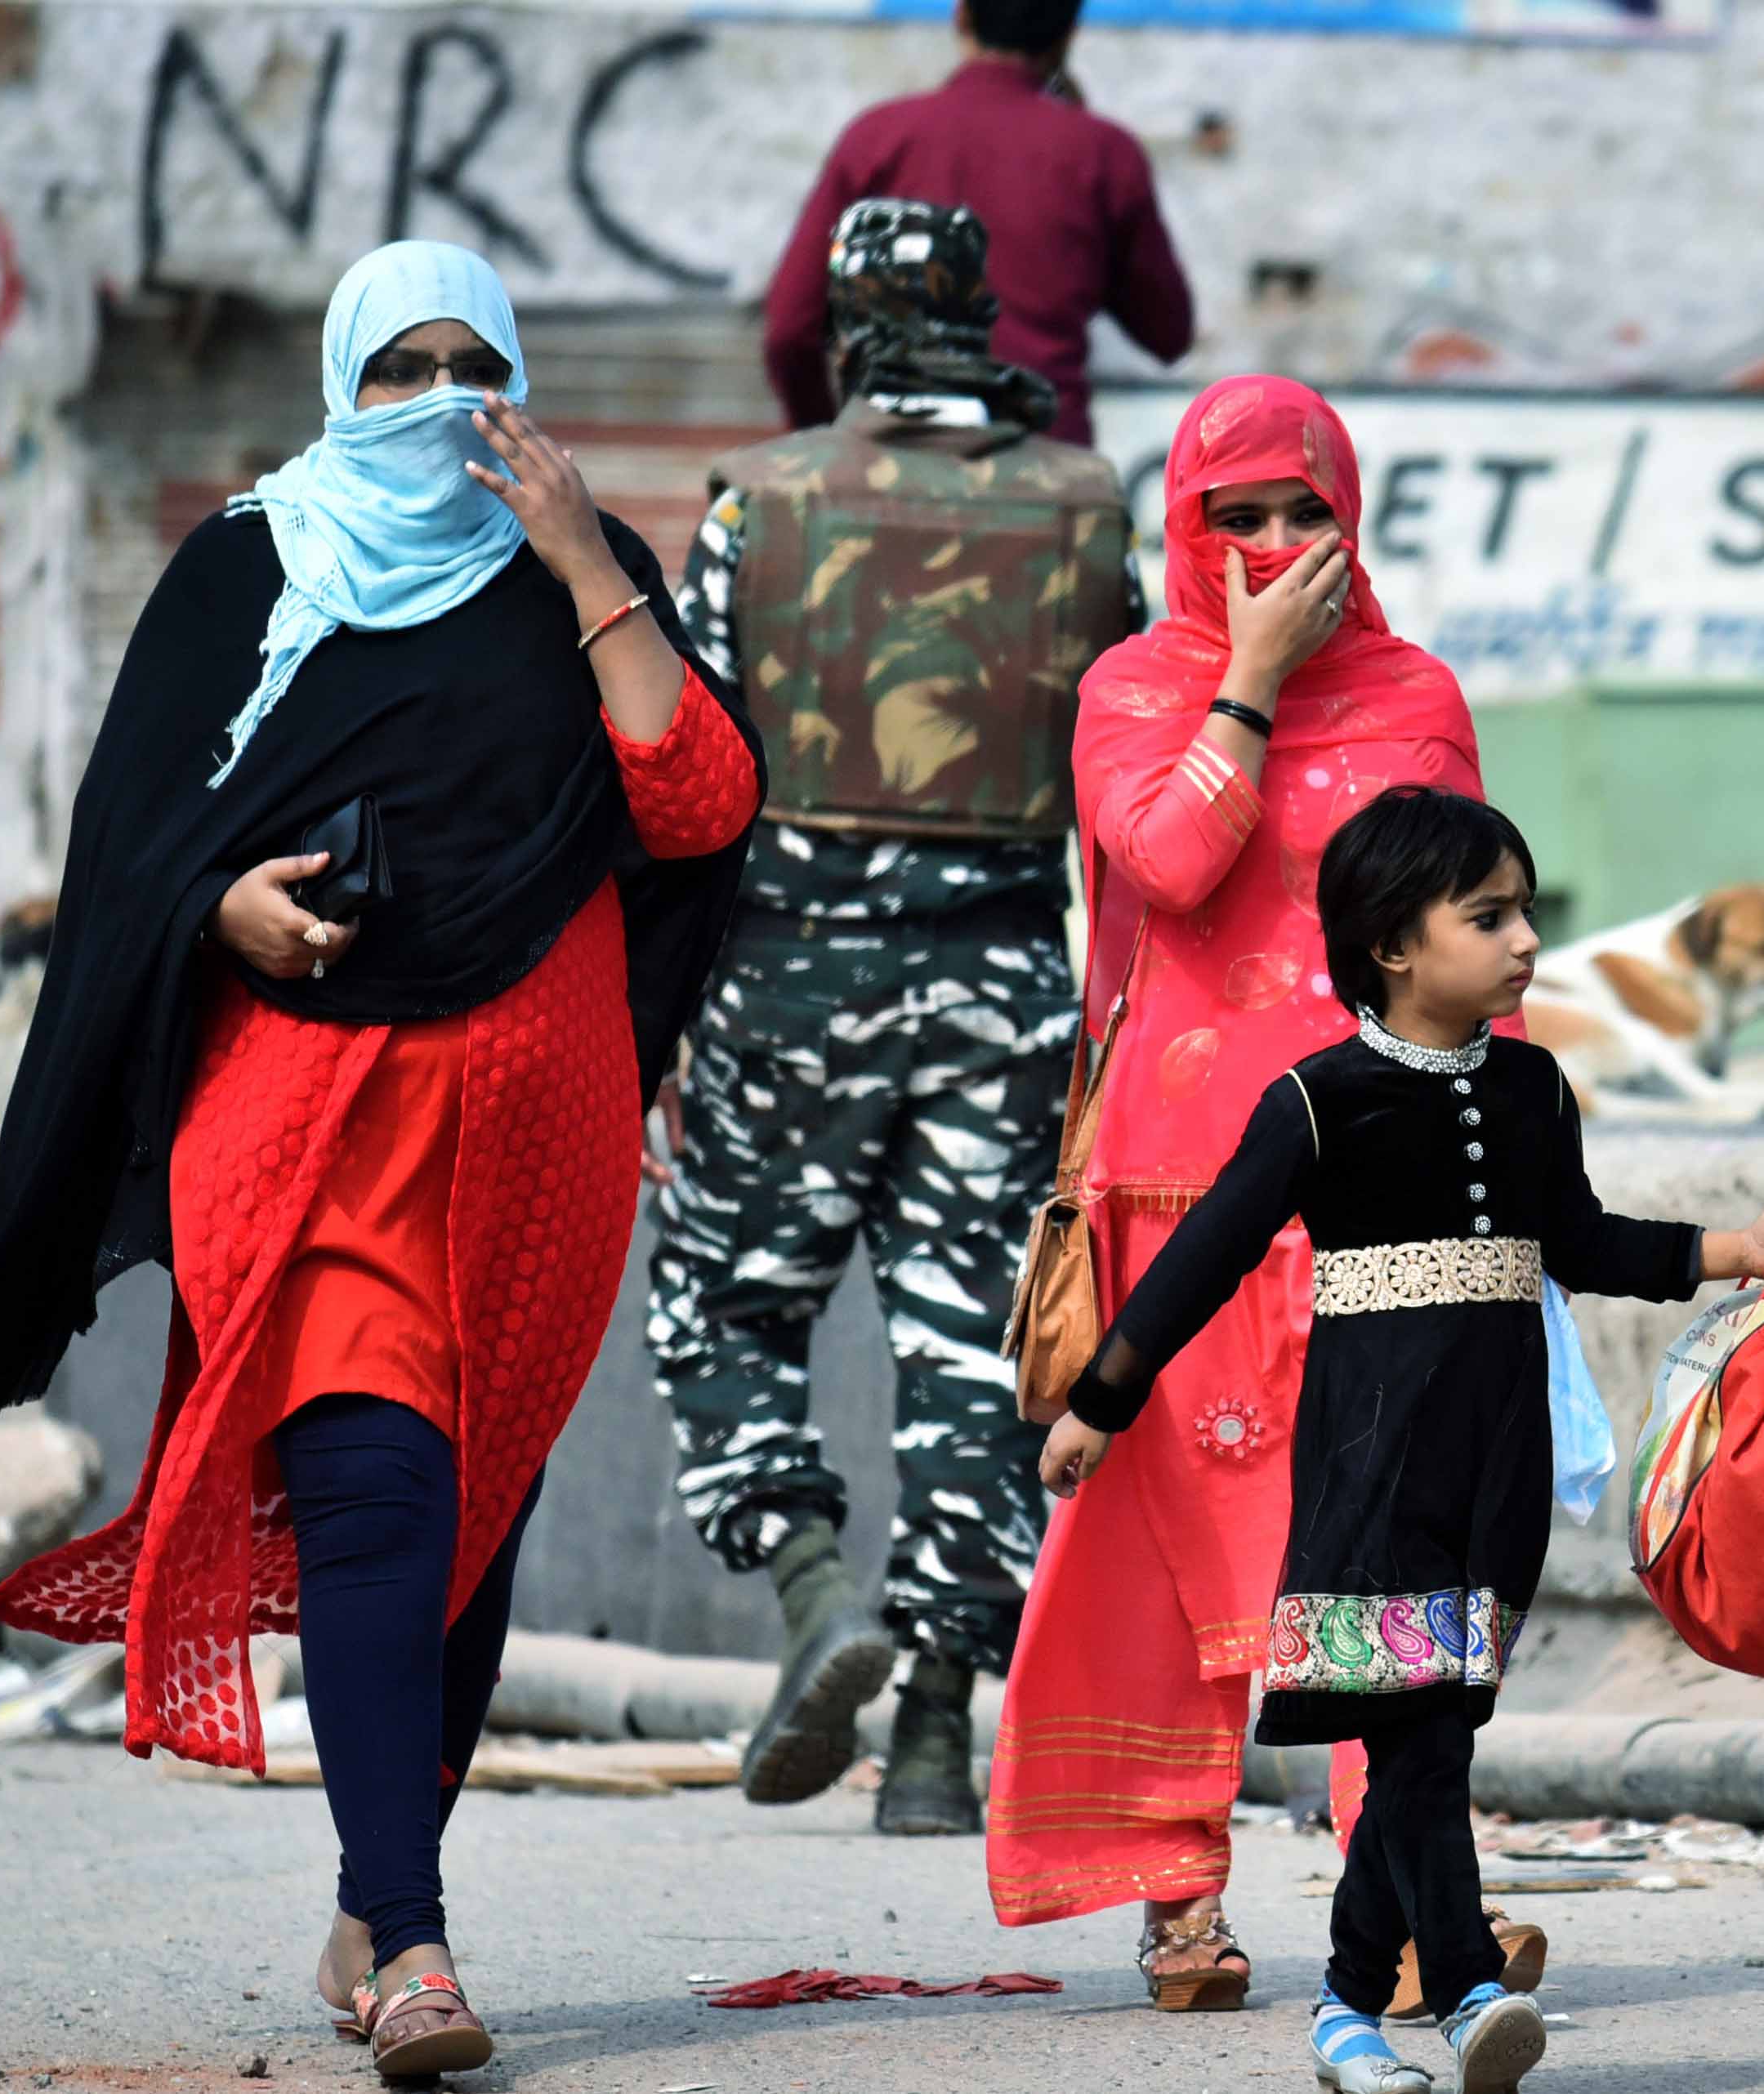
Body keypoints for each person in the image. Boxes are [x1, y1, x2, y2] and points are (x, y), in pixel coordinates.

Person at [0, 243, 761, 2080]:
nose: (437, 402)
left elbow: (700, 801)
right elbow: (131, 856)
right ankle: (415, 1943)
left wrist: (586, 561)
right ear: (338, 386)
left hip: (537, 1140)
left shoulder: (576, 565)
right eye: (395, 369)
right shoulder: (238, 575)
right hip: (304, 1116)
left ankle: (375, 1877)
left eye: (471, 365)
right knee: (378, 1491)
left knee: (471, 1512)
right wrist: (225, 912)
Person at [1038, 785, 1764, 2094]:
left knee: (1434, 1726)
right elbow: (1199, 1261)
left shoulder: (1532, 1085)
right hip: (1371, 1460)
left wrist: (1730, 1251)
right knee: (1410, 1728)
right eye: (1489, 914)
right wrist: (1098, 1404)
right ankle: (1464, 1984)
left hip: (1497, 1461)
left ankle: (1348, 2008)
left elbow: (1581, 1241)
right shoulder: (1314, 1100)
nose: (1526, 938)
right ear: (1394, 945)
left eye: (1524, 909)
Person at [983, 373, 1496, 2007]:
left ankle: (1406, 1905)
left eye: (1303, 513)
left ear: (1349, 521)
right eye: (1236, 515)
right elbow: (1170, 862)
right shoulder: (1132, 689)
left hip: (1380, 1186)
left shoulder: (1418, 696)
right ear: (1183, 528)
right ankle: (1177, 1903)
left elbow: (1471, 935)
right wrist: (1254, 680)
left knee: (1382, 1540)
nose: (1273, 545)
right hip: (1179, 1182)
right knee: (1174, 1548)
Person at [648, 198, 1141, 1837]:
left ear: (846, 324)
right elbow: (1120, 749)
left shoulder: (759, 502)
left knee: (720, 1305)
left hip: (789, 969)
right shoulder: (1082, 512)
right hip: (1003, 979)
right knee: (969, 1351)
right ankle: (934, 1726)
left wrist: (657, 1023)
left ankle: (810, 1596)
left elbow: (687, 768)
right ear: (983, 312)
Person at [759, 0, 1195, 447]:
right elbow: (1169, 334)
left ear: (962, 16)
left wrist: (825, 440)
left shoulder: (877, 139)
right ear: (1068, 35)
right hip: (1044, 475)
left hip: (891, 468)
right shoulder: (1102, 152)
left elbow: (790, 329)